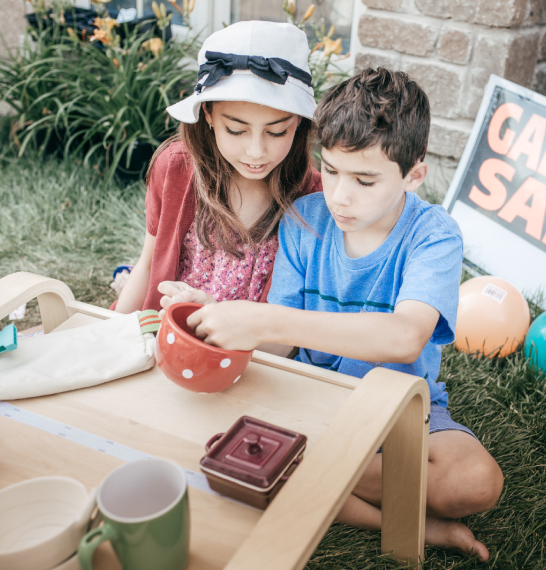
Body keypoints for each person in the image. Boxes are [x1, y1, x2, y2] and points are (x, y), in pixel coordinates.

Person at [164, 67, 504, 561]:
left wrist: (263, 320)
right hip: (314, 404)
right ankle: (415, 525)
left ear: (413, 174)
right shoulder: (304, 221)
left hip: (404, 413)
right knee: (230, 437)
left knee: (475, 483)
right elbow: (280, 346)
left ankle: (300, 471)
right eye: (333, 171)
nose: (341, 195)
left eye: (365, 179)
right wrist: (225, 316)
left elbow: (406, 336)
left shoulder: (434, 234)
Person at [113, 20, 321, 316]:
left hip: (252, 355)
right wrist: (111, 333)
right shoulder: (175, 168)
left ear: (299, 121)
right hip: (163, 336)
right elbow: (147, 264)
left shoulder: (317, 199)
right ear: (208, 114)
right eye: (236, 130)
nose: (256, 152)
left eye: (276, 132)